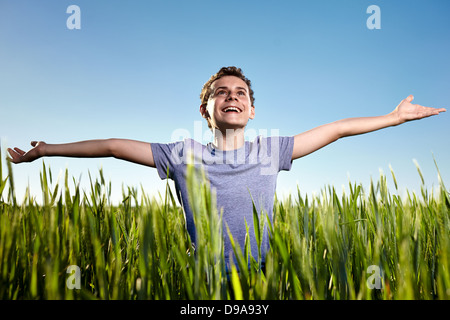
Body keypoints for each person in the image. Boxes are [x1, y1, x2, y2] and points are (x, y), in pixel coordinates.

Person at [7, 66, 446, 270]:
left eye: (240, 93)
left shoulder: (272, 150)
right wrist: (46, 150)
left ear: (252, 110)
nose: (231, 96)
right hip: (205, 280)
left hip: (262, 278)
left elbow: (337, 130)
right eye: (221, 93)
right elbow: (111, 146)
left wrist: (392, 118)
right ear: (206, 108)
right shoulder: (183, 156)